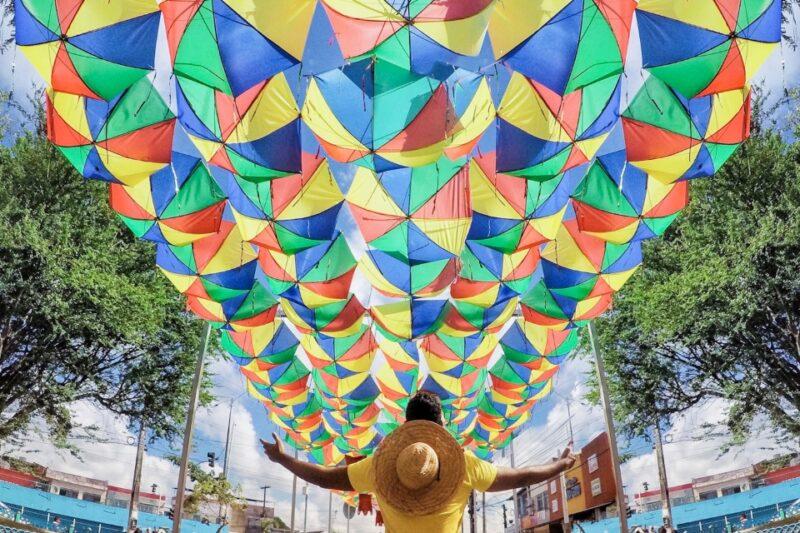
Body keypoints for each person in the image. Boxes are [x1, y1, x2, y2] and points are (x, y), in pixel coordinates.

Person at [262, 390, 576, 533]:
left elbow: (325, 477)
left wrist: (283, 459)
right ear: (438, 425)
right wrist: (560, 466)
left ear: (408, 425)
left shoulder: (377, 466)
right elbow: (521, 477)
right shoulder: (464, 464)